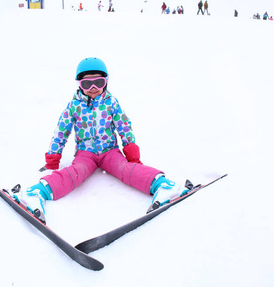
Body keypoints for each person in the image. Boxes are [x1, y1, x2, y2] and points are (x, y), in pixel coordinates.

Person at [13, 57, 190, 223]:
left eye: (98, 82)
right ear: (79, 84)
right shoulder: (74, 106)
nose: (93, 88)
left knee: (124, 169)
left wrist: (132, 155)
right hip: (86, 153)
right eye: (86, 84)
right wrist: (53, 158)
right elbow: (62, 130)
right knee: (77, 172)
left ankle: (163, 185)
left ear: (106, 82)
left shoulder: (111, 103)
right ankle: (37, 192)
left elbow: (124, 125)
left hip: (109, 151)